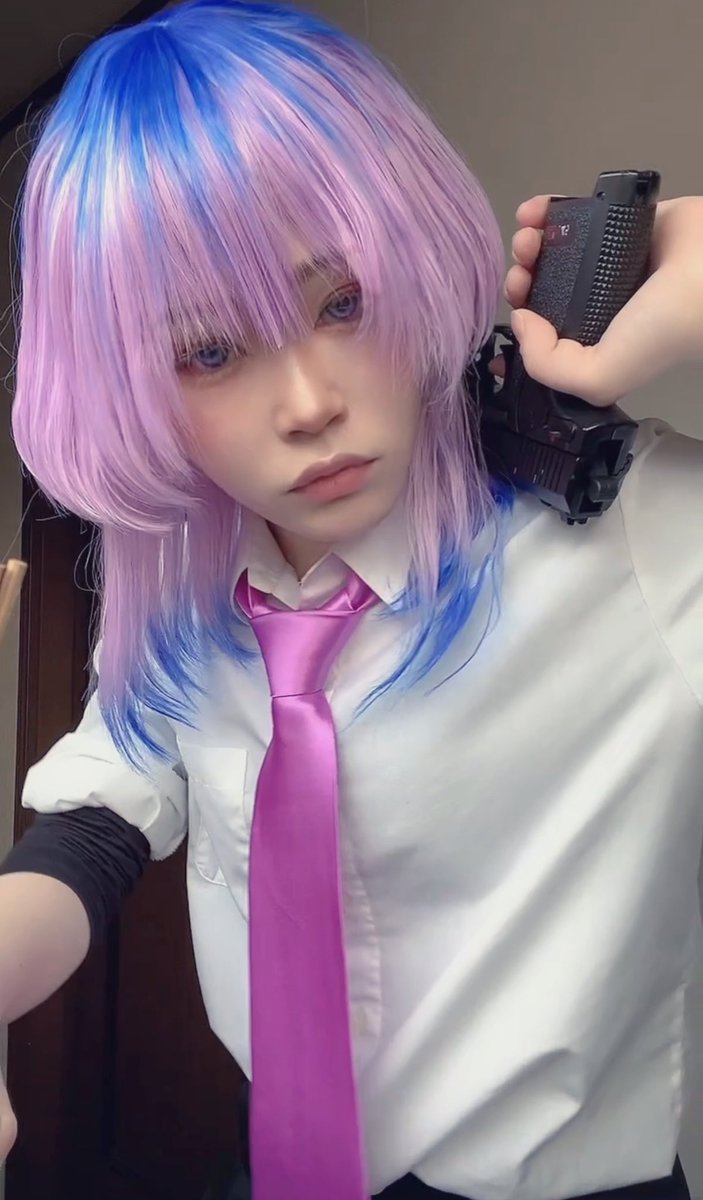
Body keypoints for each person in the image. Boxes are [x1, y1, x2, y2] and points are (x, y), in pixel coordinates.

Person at [1, 1, 702, 1198]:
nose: (308, 404)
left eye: (341, 302)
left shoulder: (640, 532)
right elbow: (102, 814)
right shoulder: (186, 584)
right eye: (208, 352)